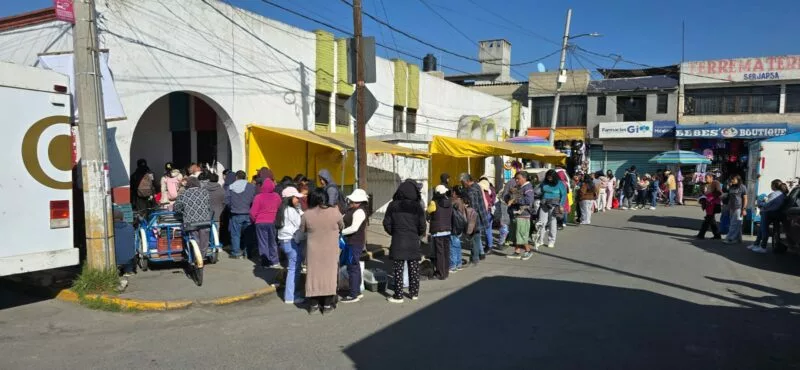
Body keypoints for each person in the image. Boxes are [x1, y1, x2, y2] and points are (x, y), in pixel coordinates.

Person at [301, 188, 344, 314]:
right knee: (329, 277)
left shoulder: (307, 215)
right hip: (330, 251)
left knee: (314, 277)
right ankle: (326, 305)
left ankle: (313, 305)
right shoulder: (335, 213)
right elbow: (342, 226)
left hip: (313, 252)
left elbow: (302, 229)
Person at [383, 180, 426, 303]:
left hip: (398, 240)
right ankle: (414, 293)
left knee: (398, 269)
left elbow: (386, 223)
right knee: (414, 268)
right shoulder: (417, 206)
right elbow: (422, 225)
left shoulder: (393, 205)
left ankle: (399, 295)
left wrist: (394, 232)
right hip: (413, 240)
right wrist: (416, 234)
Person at [277, 187, 305, 304]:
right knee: (293, 269)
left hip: (284, 241)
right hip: (291, 241)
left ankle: (292, 292)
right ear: (289, 198)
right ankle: (290, 296)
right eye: (296, 197)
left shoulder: (283, 209)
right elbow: (300, 224)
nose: (298, 199)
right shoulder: (291, 211)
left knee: (294, 268)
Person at [174, 177, 213, 261]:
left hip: (191, 223)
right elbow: (209, 206)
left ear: (188, 184)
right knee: (204, 241)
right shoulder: (205, 192)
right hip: (205, 222)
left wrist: (183, 210)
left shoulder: (183, 194)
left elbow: (177, 208)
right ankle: (202, 257)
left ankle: (195, 258)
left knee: (195, 240)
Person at [341, 189, 369, 303]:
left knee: (352, 267)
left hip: (354, 242)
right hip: (351, 242)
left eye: (352, 201)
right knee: (354, 266)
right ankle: (356, 291)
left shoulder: (359, 212)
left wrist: (340, 232)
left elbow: (354, 228)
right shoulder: (353, 209)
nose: (350, 202)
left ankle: (353, 294)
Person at [250, 178, 282, 268]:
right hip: (272, 221)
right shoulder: (276, 196)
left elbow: (252, 212)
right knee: (272, 242)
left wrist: (255, 220)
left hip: (260, 222)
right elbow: (280, 208)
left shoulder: (258, 197)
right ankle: (274, 261)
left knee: (262, 242)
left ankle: (265, 262)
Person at [750, 179, 788, 253]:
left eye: (771, 185)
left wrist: (759, 203)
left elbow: (767, 205)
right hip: (775, 213)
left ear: (774, 186)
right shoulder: (782, 194)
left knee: (764, 230)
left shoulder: (774, 194)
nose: (771, 186)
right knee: (762, 229)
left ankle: (763, 247)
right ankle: (757, 244)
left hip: (768, 213)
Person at [226, 170, 256, 259]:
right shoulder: (251, 186)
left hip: (235, 213)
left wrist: (232, 207)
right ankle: (248, 253)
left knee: (235, 234)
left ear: (236, 177)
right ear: (245, 177)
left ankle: (236, 252)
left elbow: (227, 201)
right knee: (248, 234)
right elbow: (254, 200)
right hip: (248, 213)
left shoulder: (231, 187)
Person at [506, 171, 535, 260]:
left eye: (518, 178)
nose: (516, 180)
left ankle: (528, 250)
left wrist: (514, 200)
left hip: (524, 214)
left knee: (522, 234)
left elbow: (529, 200)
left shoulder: (528, 187)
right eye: (516, 179)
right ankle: (517, 251)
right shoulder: (520, 187)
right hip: (517, 214)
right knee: (517, 233)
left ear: (524, 178)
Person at [536, 170, 567, 248]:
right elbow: (539, 191)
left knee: (552, 223)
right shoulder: (544, 182)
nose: (549, 179)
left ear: (555, 177)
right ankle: (540, 240)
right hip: (544, 203)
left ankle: (551, 241)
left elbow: (564, 195)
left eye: (551, 177)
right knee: (541, 222)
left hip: (554, 204)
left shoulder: (560, 183)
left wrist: (561, 205)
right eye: (548, 177)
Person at [426, 185, 453, 280]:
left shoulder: (434, 203)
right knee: (446, 252)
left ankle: (440, 273)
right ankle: (446, 272)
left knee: (440, 253)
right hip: (447, 230)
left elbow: (428, 212)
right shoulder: (449, 202)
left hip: (438, 231)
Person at [460, 173, 489, 256]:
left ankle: (475, 256)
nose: (462, 184)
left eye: (462, 182)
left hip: (475, 217)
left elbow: (473, 207)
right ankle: (481, 252)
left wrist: (466, 207)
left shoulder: (471, 191)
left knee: (474, 236)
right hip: (480, 214)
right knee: (477, 235)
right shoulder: (477, 186)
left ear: (466, 181)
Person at [723, 175, 747, 245]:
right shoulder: (731, 187)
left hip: (738, 207)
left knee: (734, 224)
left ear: (738, 180)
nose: (732, 180)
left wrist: (744, 209)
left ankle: (730, 238)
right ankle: (739, 239)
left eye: (733, 179)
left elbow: (745, 198)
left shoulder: (742, 187)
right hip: (731, 207)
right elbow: (728, 195)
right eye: (731, 179)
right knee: (736, 223)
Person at [697, 176, 722, 240]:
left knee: (708, 219)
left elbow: (719, 192)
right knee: (711, 220)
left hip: (713, 204)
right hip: (708, 205)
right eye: (705, 178)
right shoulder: (707, 184)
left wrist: (711, 197)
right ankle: (717, 235)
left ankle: (701, 234)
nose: (705, 179)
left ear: (711, 177)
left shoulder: (716, 182)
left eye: (707, 178)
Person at [113, 208, 136, 277]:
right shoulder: (130, 227)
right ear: (122, 217)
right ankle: (129, 271)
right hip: (129, 258)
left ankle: (116, 270)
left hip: (115, 259)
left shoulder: (110, 230)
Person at [449, 186, 467, 272]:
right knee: (457, 245)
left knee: (453, 246)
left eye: (452, 192)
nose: (451, 193)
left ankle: (453, 266)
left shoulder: (455, 202)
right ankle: (459, 264)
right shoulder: (461, 201)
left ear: (455, 193)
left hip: (454, 226)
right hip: (460, 226)